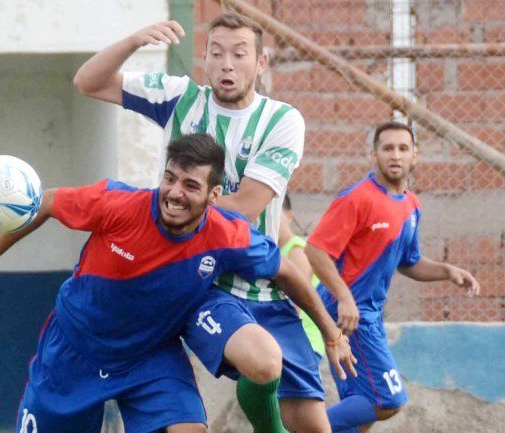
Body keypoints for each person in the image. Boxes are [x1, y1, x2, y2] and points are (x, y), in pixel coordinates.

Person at [0, 134, 352, 433]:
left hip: (150, 356)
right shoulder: (118, 204)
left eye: (191, 185)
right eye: (170, 178)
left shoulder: (228, 233)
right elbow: (45, 201)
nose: (175, 192)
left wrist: (331, 334)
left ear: (213, 196)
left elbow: (288, 271)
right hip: (75, 352)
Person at [73, 12, 344, 433]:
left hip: (263, 284)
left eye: (239, 54)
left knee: (313, 425)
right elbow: (88, 82)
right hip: (201, 285)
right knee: (257, 364)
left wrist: (331, 332)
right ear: (205, 60)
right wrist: (133, 41)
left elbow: (245, 207)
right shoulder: (180, 98)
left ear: (261, 63)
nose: (226, 64)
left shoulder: (282, 121)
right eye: (216, 53)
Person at [305, 122, 481, 433]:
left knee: (361, 409)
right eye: (387, 148)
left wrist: (447, 271)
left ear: (416, 156)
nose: (395, 155)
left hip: (367, 314)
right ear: (374, 154)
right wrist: (344, 297)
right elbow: (316, 250)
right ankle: (303, 428)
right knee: (388, 399)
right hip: (349, 314)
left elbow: (409, 262)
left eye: (403, 148)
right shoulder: (357, 198)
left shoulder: (411, 205)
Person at [277, 193, 324, 357]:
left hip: (302, 341)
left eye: (276, 214)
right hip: (286, 340)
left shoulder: (296, 250)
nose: (270, 221)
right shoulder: (273, 252)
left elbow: (296, 301)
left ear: (289, 216)